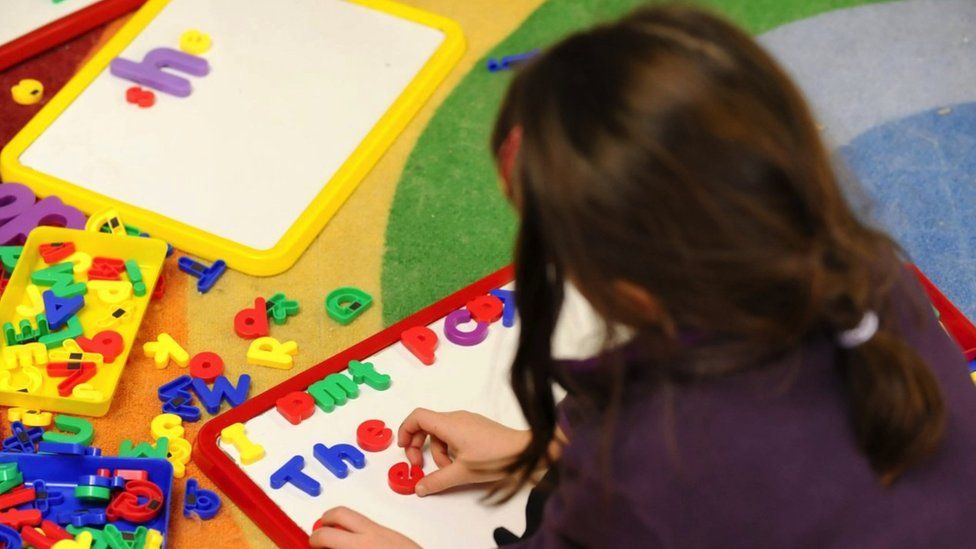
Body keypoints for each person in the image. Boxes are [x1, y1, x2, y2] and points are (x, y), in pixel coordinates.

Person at [310, 4, 976, 547]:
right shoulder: (868, 271)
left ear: (625, 285)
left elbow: (681, 485)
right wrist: (539, 452)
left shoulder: (645, 465)